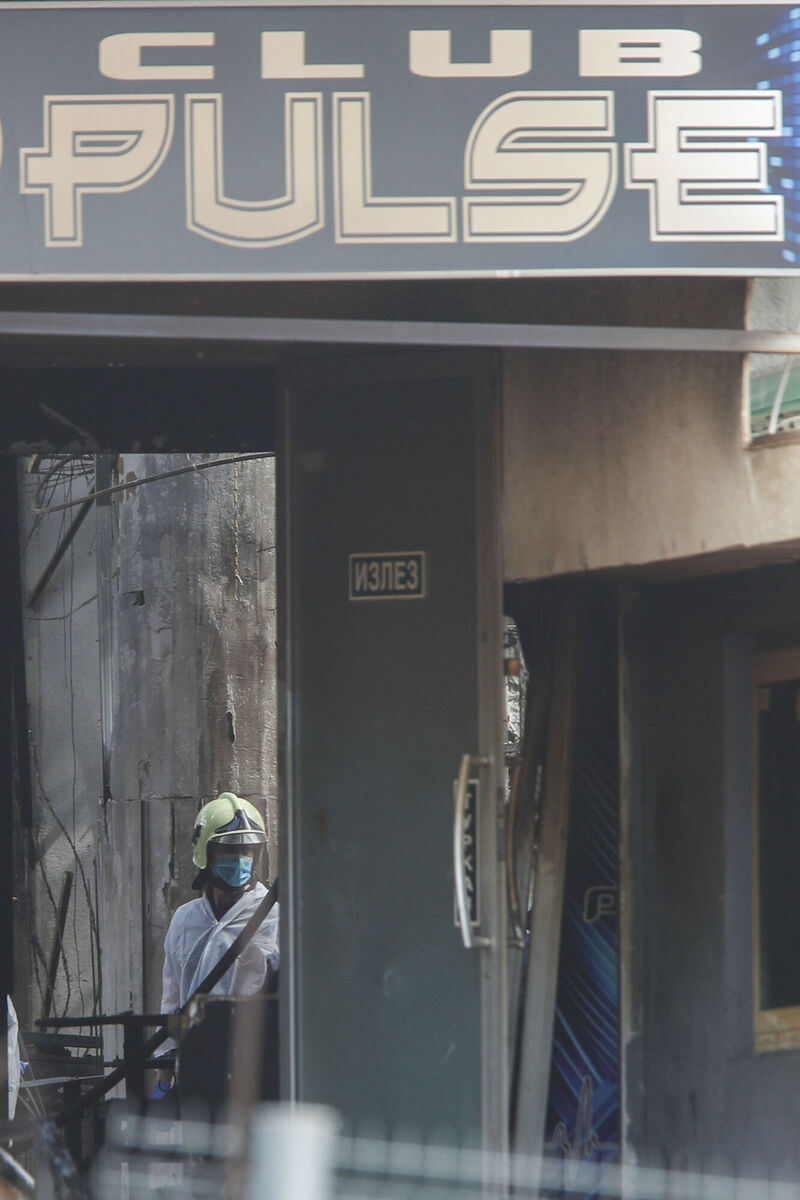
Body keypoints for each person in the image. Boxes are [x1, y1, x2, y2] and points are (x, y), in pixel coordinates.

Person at [154, 792, 279, 1095]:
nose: (239, 860)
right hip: (197, 1066)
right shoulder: (185, 920)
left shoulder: (274, 916)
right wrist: (163, 1078)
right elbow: (172, 997)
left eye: (247, 851)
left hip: (256, 1071)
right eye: (228, 851)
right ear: (205, 854)